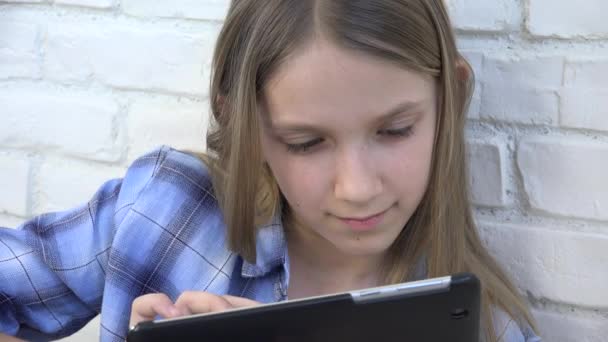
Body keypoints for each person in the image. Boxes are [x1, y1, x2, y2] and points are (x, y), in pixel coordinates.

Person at [0, 0, 541, 341]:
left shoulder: (488, 330)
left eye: (395, 131)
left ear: (451, 99)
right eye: (306, 143)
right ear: (242, 124)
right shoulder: (165, 209)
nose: (356, 188)